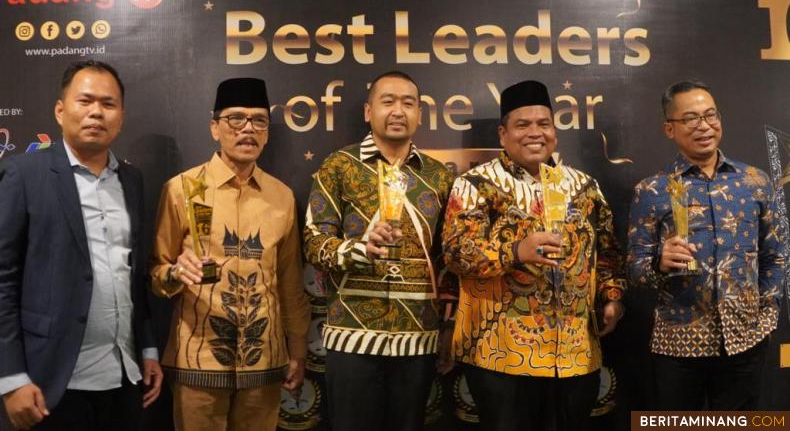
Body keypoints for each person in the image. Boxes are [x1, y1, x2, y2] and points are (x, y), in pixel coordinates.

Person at [442, 80, 626, 431]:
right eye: (522, 125)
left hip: (575, 354)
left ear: (555, 131)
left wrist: (612, 297)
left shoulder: (584, 187)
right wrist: (515, 251)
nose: (535, 133)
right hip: (501, 355)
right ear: (503, 134)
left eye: (544, 124)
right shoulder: (477, 184)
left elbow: (607, 253)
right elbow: (455, 253)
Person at [0, 60, 163, 430]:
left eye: (108, 104)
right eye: (85, 101)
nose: (96, 112)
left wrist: (148, 347)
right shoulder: (24, 174)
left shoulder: (131, 180)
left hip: (125, 378)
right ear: (60, 111)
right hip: (50, 382)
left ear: (121, 116)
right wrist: (10, 377)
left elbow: (133, 274)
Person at [150, 77, 310, 430]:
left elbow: (290, 281)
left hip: (264, 361)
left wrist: (298, 348)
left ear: (267, 133)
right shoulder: (182, 189)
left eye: (259, 120)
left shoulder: (281, 197)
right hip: (198, 361)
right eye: (236, 118)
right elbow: (156, 274)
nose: (248, 129)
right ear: (215, 127)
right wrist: (176, 273)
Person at [303, 71, 455, 431]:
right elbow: (313, 241)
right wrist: (360, 250)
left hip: (418, 336)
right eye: (388, 102)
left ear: (420, 114)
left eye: (408, 103)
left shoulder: (439, 176)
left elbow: (449, 259)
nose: (398, 111)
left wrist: (449, 325)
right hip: (352, 335)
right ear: (368, 111)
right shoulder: (339, 165)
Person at [627, 80, 784, 410]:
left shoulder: (755, 181)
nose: (704, 125)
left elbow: (776, 254)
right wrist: (659, 263)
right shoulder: (652, 190)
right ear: (669, 128)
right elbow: (634, 270)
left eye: (710, 115)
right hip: (678, 346)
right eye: (690, 118)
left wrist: (766, 316)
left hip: (745, 342)